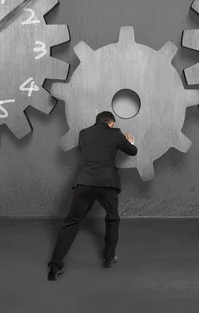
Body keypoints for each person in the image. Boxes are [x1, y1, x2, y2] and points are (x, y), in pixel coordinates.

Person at [47, 111, 138, 281]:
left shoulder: (84, 133)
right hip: (107, 183)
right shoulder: (116, 134)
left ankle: (54, 265)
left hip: (85, 182)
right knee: (112, 219)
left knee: (71, 223)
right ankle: (109, 256)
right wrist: (130, 142)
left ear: (97, 121)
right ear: (112, 123)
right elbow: (132, 151)